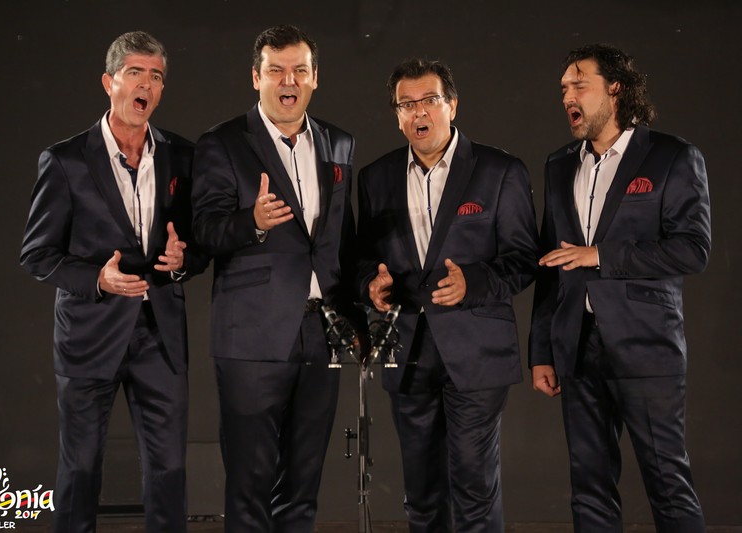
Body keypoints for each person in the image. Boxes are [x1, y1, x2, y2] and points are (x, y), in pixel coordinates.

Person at [20, 31, 209, 533]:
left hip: (160, 337)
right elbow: (37, 254)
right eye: (135, 73)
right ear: (109, 83)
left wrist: (183, 259)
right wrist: (97, 279)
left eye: (156, 76)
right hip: (89, 337)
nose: (146, 84)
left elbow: (198, 245)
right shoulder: (66, 160)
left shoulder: (182, 156)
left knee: (169, 471)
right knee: (80, 471)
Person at [529, 43, 710, 532]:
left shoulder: (672, 156)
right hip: (577, 346)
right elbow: (550, 264)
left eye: (579, 85)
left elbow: (692, 249)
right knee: (589, 488)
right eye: (563, 88)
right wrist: (541, 350)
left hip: (646, 345)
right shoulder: (559, 165)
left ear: (616, 88)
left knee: (667, 483)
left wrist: (601, 255)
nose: (567, 96)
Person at [356, 58, 538, 532]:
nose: (419, 112)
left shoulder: (500, 171)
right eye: (407, 104)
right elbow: (361, 258)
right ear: (397, 115)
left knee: (474, 488)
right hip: (407, 352)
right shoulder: (375, 178)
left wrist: (473, 283)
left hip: (477, 352)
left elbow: (524, 258)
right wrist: (370, 284)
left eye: (430, 100)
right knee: (421, 494)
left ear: (452, 105)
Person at [190, 25, 356, 533]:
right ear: (256, 77)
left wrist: (354, 314)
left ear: (314, 78)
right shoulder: (222, 143)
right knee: (250, 484)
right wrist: (253, 223)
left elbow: (340, 237)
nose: (289, 81)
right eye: (277, 71)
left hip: (320, 333)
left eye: (300, 71)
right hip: (251, 335)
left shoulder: (338, 143)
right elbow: (204, 232)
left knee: (303, 484)